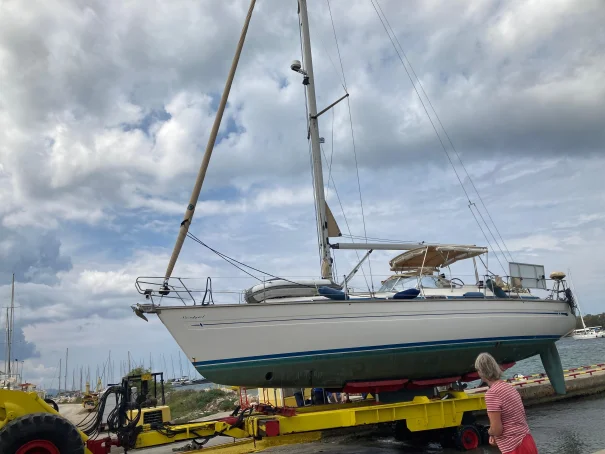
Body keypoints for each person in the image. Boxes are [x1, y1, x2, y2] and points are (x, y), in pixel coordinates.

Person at [475, 352, 538, 454]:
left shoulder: (492, 393)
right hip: (527, 440)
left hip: (515, 447)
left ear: (481, 372)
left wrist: (490, 432)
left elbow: (497, 430)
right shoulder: (509, 387)